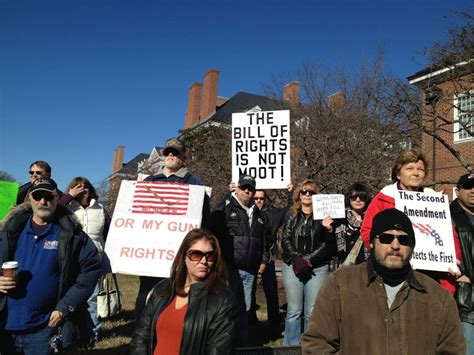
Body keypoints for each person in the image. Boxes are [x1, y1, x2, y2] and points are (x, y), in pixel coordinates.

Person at [302, 208, 466, 354]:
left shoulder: (438, 297)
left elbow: (452, 350)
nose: (395, 245)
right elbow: (318, 343)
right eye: (386, 238)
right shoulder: (340, 284)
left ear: (413, 246)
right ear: (372, 242)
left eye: (404, 240)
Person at [0, 178, 102, 353]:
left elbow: (91, 268)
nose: (43, 201)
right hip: (6, 324)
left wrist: (65, 307)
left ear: (57, 199)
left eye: (48, 197)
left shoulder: (72, 234)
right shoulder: (10, 230)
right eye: (38, 196)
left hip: (45, 326)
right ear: (30, 199)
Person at [360, 147, 461, 294]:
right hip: (393, 268)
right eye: (410, 168)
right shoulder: (384, 197)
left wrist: (454, 259)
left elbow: (450, 235)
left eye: (420, 169)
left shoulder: (434, 199)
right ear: (398, 174)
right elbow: (367, 230)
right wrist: (385, 253)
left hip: (430, 272)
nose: (416, 173)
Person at [134, 138, 210, 323]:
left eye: (175, 152)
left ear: (184, 157)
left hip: (180, 252)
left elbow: (204, 219)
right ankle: (142, 335)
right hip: (151, 252)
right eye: (168, 152)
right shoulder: (149, 182)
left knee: (178, 293)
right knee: (146, 293)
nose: (170, 155)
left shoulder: (195, 184)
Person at [129, 228, 238, 354]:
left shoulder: (223, 300)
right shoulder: (163, 289)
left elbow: (218, 350)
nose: (204, 261)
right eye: (196, 254)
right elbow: (141, 337)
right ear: (184, 256)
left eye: (210, 256)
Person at [209, 174, 270, 345]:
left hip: (250, 269)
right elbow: (213, 227)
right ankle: (222, 344)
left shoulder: (260, 214)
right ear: (237, 188)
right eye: (244, 188)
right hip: (229, 268)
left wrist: (264, 260)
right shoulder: (225, 208)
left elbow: (265, 239)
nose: (247, 191)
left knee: (245, 309)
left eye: (250, 188)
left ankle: (241, 345)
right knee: (225, 308)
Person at [281, 179, 337, 346]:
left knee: (312, 312)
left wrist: (328, 229)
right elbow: (285, 238)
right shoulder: (291, 213)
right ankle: (291, 347)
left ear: (316, 196)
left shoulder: (324, 216)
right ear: (299, 195)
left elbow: (329, 246)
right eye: (304, 191)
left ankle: (310, 347)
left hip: (317, 269)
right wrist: (297, 258)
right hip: (292, 266)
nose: (307, 195)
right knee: (293, 311)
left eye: (311, 192)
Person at [61, 177, 111, 342]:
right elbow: (54, 212)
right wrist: (69, 196)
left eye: (85, 187)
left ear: (91, 190)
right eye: (77, 187)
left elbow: (109, 234)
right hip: (71, 259)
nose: (82, 189)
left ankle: (92, 333)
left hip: (94, 259)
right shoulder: (67, 207)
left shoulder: (101, 209)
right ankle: (70, 333)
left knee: (92, 297)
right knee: (70, 295)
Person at [250, 185, 293, 328]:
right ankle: (251, 321)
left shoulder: (274, 214)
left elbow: (290, 211)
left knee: (271, 290)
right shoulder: (246, 212)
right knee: (249, 290)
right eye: (255, 198)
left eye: (261, 198)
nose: (258, 201)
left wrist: (290, 193)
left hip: (268, 258)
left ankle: (274, 321)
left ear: (266, 199)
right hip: (249, 257)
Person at [450, 172, 474, 353]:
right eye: (468, 187)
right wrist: (460, 274)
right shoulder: (446, 215)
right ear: (458, 191)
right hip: (465, 298)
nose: (473, 191)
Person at [332, 182, 371, 268]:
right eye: (354, 197)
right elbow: (329, 243)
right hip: (343, 266)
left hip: (365, 266)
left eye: (362, 197)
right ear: (348, 199)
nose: (358, 200)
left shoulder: (371, 220)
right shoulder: (339, 219)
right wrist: (328, 229)